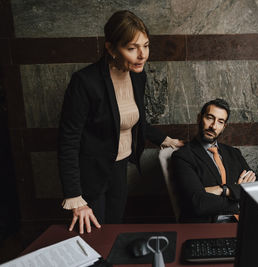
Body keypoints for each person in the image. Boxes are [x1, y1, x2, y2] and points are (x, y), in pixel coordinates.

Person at [58, 10, 183, 234]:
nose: (142, 55)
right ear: (111, 48)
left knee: (114, 231)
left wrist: (165, 139)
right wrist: (74, 196)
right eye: (132, 48)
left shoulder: (137, 76)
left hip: (119, 167)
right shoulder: (85, 82)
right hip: (91, 175)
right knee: (94, 237)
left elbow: (134, 119)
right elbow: (68, 142)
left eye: (146, 45)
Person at [171, 99, 257, 222]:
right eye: (210, 118)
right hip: (207, 226)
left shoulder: (233, 153)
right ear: (199, 118)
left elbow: (256, 185)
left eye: (220, 122)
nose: (213, 126)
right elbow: (199, 204)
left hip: (243, 223)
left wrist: (222, 190)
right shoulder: (183, 156)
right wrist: (238, 201)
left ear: (224, 127)